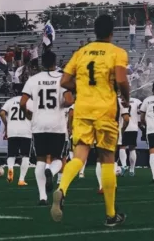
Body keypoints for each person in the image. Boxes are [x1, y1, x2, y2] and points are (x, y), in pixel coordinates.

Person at [51, 14, 129, 226]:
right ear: (112, 32)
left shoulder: (81, 52)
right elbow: (121, 79)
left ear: (95, 31)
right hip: (105, 110)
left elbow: (65, 81)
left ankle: (62, 188)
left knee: (79, 155)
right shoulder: (117, 52)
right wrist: (126, 97)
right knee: (106, 159)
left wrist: (82, 88)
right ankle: (111, 215)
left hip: (83, 109)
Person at [20, 50, 74, 205]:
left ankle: (42, 197)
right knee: (58, 159)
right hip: (57, 125)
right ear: (55, 62)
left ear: (42, 63)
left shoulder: (33, 79)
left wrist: (28, 114)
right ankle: (52, 171)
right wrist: (62, 105)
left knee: (40, 160)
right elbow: (69, 101)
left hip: (39, 124)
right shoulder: (62, 78)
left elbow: (23, 102)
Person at [0, 90, 33, 186]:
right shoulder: (30, 102)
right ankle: (21, 179)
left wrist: (6, 125)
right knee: (25, 156)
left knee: (11, 154)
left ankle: (10, 168)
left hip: (12, 130)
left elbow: (2, 113)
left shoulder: (10, 101)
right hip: (26, 130)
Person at [118, 96, 142, 176]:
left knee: (122, 147)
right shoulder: (136, 100)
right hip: (134, 127)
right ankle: (132, 170)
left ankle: (124, 166)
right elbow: (141, 110)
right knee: (132, 148)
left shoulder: (118, 100)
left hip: (123, 126)